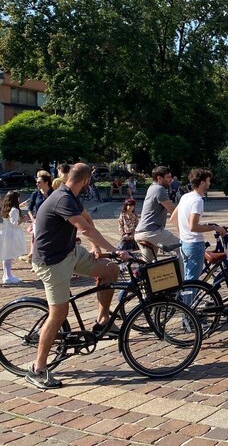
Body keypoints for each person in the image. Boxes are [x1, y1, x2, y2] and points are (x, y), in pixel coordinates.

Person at [26, 163, 129, 389]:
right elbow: (84, 228)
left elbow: (86, 221)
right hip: (51, 261)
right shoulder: (62, 198)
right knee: (58, 314)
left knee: (110, 269)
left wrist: (97, 248)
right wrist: (115, 249)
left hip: (70, 252)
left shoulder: (70, 195)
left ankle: (102, 321)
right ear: (86, 181)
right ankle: (38, 368)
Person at [176, 169, 226, 282]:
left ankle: (183, 299)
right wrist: (214, 228)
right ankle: (188, 300)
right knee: (193, 281)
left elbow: (175, 217)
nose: (210, 183)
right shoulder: (197, 200)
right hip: (194, 244)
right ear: (202, 183)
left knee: (186, 279)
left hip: (183, 242)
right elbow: (193, 226)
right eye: (208, 181)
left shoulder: (185, 197)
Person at [134, 166, 180, 264]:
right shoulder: (159, 189)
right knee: (183, 248)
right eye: (168, 177)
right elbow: (173, 210)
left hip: (140, 232)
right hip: (152, 232)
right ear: (159, 178)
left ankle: (137, 277)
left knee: (148, 266)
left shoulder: (152, 188)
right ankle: (183, 278)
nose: (170, 180)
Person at [1, 191, 28, 284]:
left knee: (6, 255)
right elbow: (15, 224)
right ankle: (8, 276)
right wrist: (23, 219)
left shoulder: (6, 208)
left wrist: (21, 206)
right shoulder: (14, 210)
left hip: (5, 232)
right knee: (8, 255)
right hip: (11, 234)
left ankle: (6, 275)